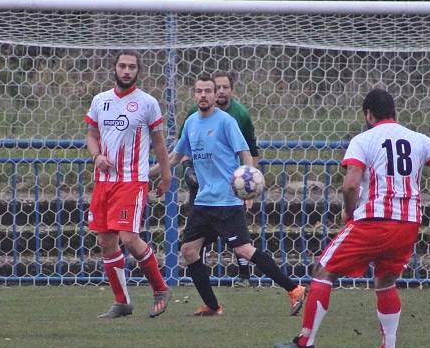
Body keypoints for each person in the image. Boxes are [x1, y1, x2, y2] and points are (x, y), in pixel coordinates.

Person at [274, 88, 430, 348]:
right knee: (386, 281)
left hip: (374, 220)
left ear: (368, 114)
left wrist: (349, 213)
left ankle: (304, 343)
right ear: (394, 113)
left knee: (323, 271)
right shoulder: (419, 139)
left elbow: (351, 184)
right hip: (408, 224)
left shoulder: (363, 139)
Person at [153, 75, 306, 316]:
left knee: (244, 250)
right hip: (203, 201)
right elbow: (173, 157)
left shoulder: (226, 122)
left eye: (208, 91)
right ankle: (213, 306)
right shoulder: (191, 122)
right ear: (194, 95)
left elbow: (245, 153)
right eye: (199, 91)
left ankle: (294, 288)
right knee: (189, 251)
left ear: (215, 96)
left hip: (226, 201)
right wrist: (145, 173)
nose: (203, 95)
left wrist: (247, 184)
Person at [86, 50, 173, 319]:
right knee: (106, 241)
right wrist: (97, 155)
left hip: (132, 181)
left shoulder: (147, 103)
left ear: (138, 71)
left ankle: (160, 288)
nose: (126, 70)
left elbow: (158, 142)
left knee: (128, 237)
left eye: (131, 67)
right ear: (114, 69)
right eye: (122, 66)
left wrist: (166, 175)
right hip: (104, 183)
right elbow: (91, 135)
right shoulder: (100, 101)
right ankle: (122, 302)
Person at [178, 71, 260, 288]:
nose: (221, 91)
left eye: (224, 88)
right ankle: (204, 287)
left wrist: (249, 183)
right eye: (200, 91)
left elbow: (249, 150)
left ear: (227, 91)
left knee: (241, 243)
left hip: (230, 188)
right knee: (194, 243)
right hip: (203, 187)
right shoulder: (192, 116)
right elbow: (185, 148)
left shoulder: (237, 116)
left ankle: (245, 275)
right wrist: (187, 168)